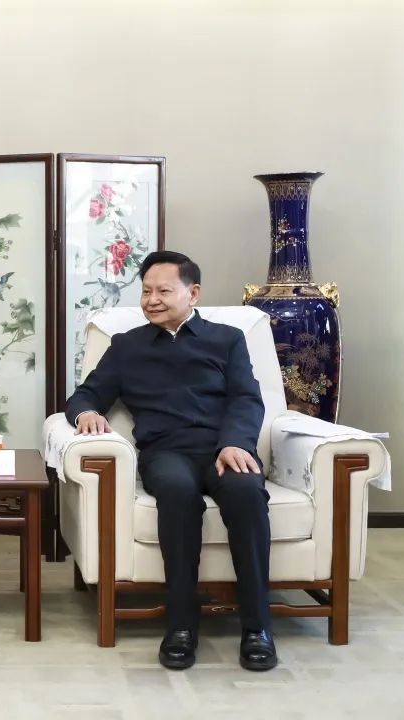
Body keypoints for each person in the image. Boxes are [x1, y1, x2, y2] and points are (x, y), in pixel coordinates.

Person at [65, 250, 277, 672]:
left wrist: (235, 443)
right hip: (166, 452)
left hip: (223, 449)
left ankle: (258, 628)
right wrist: (86, 412)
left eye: (163, 291)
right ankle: (181, 625)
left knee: (246, 492)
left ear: (192, 293)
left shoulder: (227, 339)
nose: (152, 300)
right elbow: (86, 395)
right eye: (146, 291)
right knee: (177, 494)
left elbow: (246, 399)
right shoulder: (127, 346)